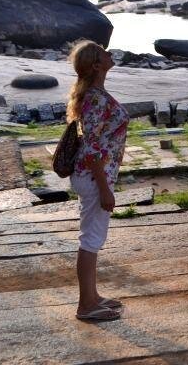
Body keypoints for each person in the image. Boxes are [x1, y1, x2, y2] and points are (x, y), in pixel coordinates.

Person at [66, 40, 129, 322]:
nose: (110, 54)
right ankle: (86, 306)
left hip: (93, 175)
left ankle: (92, 297)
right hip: (93, 177)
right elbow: (91, 147)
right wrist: (105, 189)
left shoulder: (94, 95)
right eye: (104, 52)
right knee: (91, 240)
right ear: (96, 65)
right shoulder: (95, 99)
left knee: (92, 238)